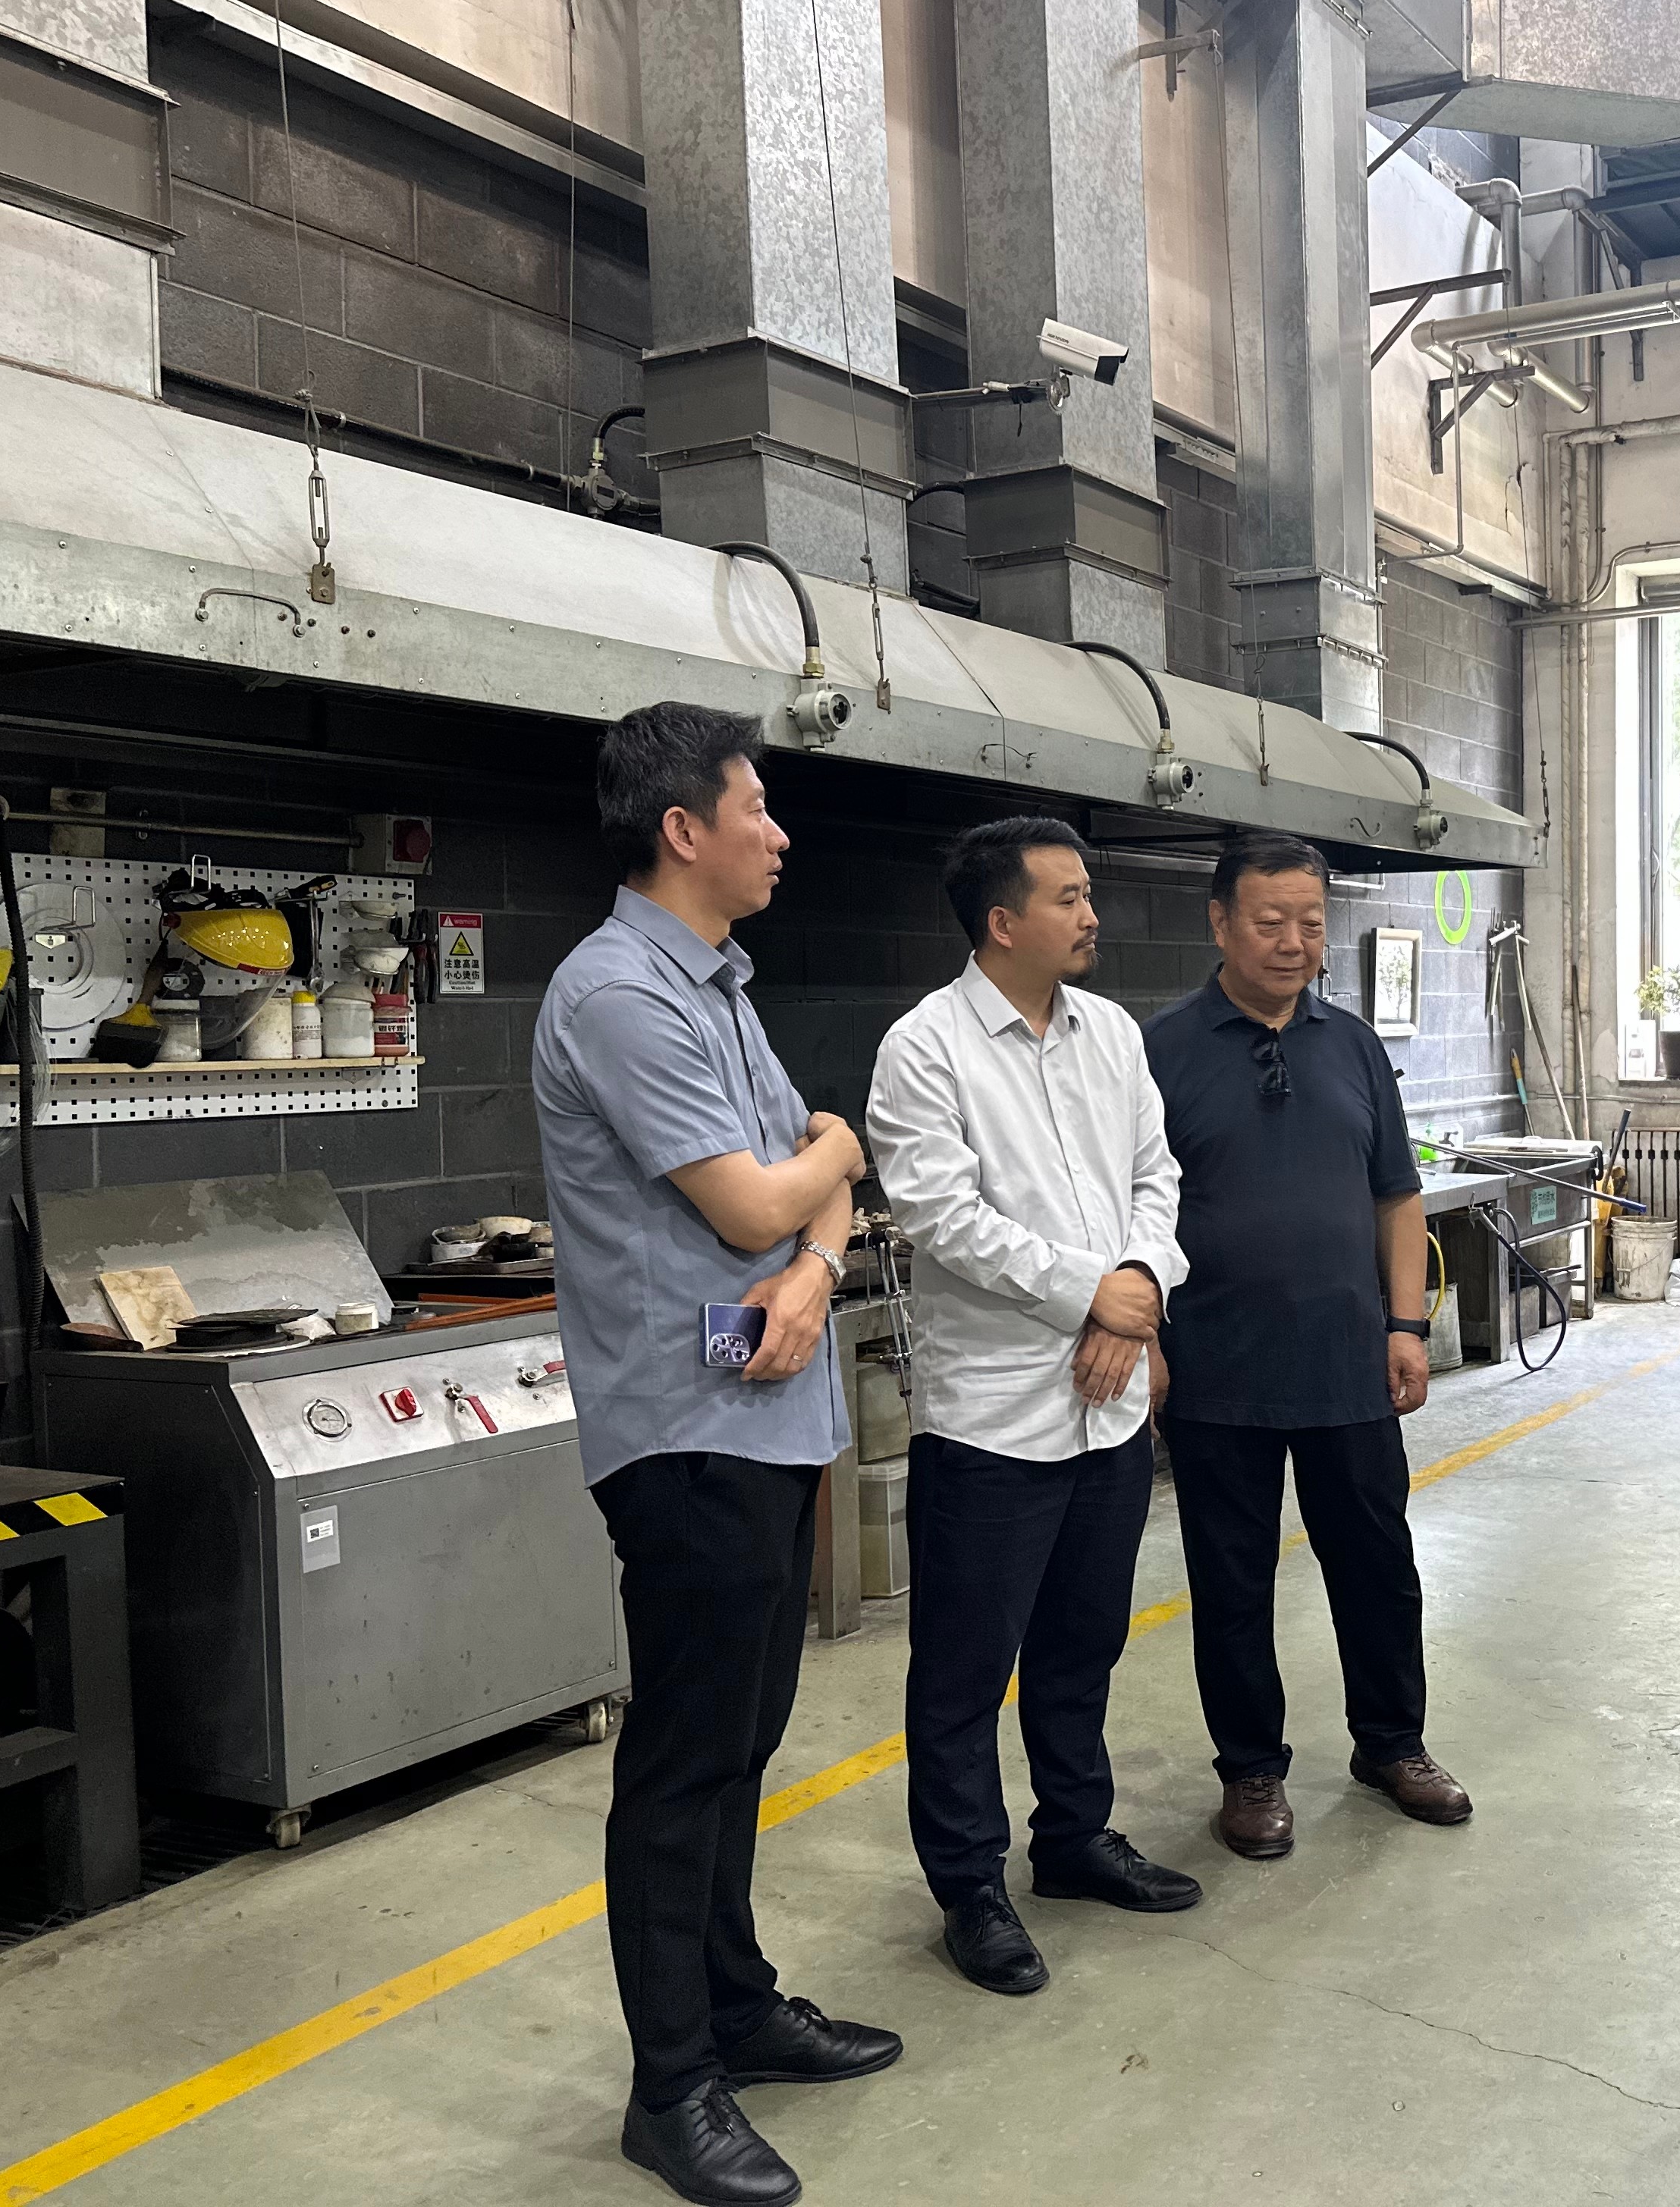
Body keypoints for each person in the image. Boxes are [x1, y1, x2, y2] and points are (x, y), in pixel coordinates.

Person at [534, 702, 901, 2207]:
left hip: (765, 1417)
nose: (781, 833)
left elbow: (807, 1200)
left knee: (743, 1746)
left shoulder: (719, 985)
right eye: (759, 807)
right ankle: (671, 2084)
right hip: (685, 1436)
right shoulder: (622, 994)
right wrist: (830, 1168)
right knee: (684, 1765)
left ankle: (737, 2009)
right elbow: (776, 1189)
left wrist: (814, 1250)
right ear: (684, 828)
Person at [867, 816, 1201, 1995]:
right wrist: (1092, 1293)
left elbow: (1156, 1178)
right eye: (1068, 897)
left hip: (1108, 1412)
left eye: (1087, 894)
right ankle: (971, 1887)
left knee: (1081, 1646)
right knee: (964, 1674)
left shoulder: (1112, 1035)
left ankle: (1073, 1838)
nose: (1091, 914)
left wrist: (1138, 1287)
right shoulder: (926, 1048)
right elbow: (942, 1216)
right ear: (1003, 922)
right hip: (995, 1420)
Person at [1141, 834, 1470, 1863]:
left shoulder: (1354, 1045)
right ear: (1220, 923)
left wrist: (1406, 1326)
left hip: (1348, 1362)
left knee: (1377, 1565)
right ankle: (1251, 1769)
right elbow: (1128, 1207)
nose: (1294, 942)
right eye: (1270, 922)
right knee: (1231, 1580)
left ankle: (1393, 1744)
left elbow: (1397, 1194)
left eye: (1312, 923)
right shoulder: (1160, 1050)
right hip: (1217, 1367)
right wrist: (1147, 1338)